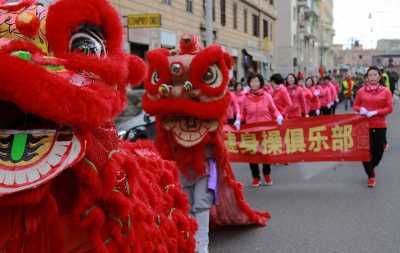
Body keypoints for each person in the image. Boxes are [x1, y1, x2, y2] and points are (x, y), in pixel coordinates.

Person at [353, 66, 393, 187]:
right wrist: (362, 110)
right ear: (367, 77)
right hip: (363, 125)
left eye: (375, 75)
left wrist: (376, 112)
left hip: (379, 124)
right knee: (364, 151)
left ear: (379, 77)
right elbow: (355, 106)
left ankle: (371, 166)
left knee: (378, 152)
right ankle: (371, 176)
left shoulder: (386, 91)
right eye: (370, 75)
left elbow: (389, 108)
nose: (373, 77)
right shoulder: (361, 91)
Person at [242, 73, 283, 187]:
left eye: (256, 81)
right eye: (252, 81)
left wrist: (278, 116)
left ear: (260, 83)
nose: (254, 83)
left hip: (265, 130)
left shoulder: (267, 96)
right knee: (252, 154)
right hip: (250, 130)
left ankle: (267, 175)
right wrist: (238, 120)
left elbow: (274, 110)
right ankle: (256, 177)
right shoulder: (245, 97)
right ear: (249, 83)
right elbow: (242, 113)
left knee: (265, 154)